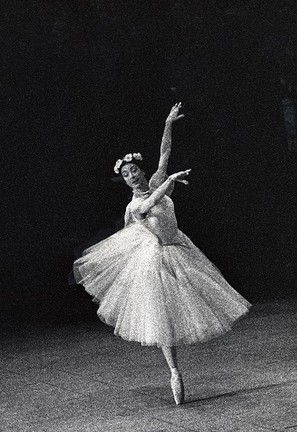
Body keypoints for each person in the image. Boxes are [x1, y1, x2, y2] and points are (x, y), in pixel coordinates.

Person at [73, 103, 251, 405]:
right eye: (126, 174)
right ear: (124, 181)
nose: (131, 176)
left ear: (142, 171)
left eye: (134, 170)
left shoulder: (156, 180)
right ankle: (173, 371)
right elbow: (152, 201)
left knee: (190, 303)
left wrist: (168, 123)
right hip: (154, 258)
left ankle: (176, 369)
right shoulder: (134, 206)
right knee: (161, 315)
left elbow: (165, 154)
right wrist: (170, 181)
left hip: (179, 247)